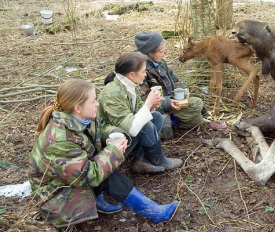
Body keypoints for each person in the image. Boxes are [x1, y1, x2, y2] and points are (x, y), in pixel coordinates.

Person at [28, 79, 179, 228]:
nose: (97, 104)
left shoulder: (83, 118)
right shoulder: (59, 141)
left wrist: (116, 132)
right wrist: (112, 152)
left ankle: (100, 199)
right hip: (56, 195)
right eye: (93, 101)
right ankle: (154, 212)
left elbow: (99, 131)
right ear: (78, 108)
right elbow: (87, 176)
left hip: (71, 179)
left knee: (104, 166)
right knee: (104, 171)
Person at [99, 51, 183, 174]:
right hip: (111, 143)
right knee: (146, 124)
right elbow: (132, 128)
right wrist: (148, 103)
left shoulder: (129, 85)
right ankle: (159, 160)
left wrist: (151, 106)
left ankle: (141, 160)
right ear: (132, 74)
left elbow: (138, 112)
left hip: (125, 133)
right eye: (143, 71)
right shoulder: (112, 93)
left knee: (156, 117)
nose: (146, 74)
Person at [134, 31, 205, 140]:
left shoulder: (161, 63)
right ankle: (168, 121)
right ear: (149, 53)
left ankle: (173, 121)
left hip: (172, 101)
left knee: (198, 120)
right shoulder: (141, 70)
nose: (164, 55)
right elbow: (142, 100)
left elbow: (174, 79)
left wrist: (179, 91)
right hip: (157, 107)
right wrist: (167, 103)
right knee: (197, 103)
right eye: (161, 52)